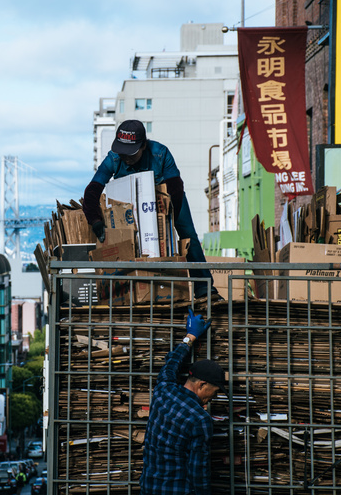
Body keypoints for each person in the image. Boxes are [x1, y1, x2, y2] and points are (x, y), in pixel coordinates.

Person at [83, 119, 221, 302]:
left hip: (166, 199)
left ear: (143, 146)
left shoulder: (160, 153)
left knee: (189, 235)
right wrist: (95, 220)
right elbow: (92, 191)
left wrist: (169, 217)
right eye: (123, 153)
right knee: (133, 242)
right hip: (129, 202)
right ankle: (134, 291)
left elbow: (176, 186)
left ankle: (205, 289)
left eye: (131, 154)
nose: (126, 158)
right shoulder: (113, 158)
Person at [140, 308, 227, 494]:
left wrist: (190, 337)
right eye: (215, 391)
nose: (215, 396)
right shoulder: (200, 420)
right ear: (202, 385)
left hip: (149, 487)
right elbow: (198, 472)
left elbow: (170, 365)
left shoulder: (163, 390)